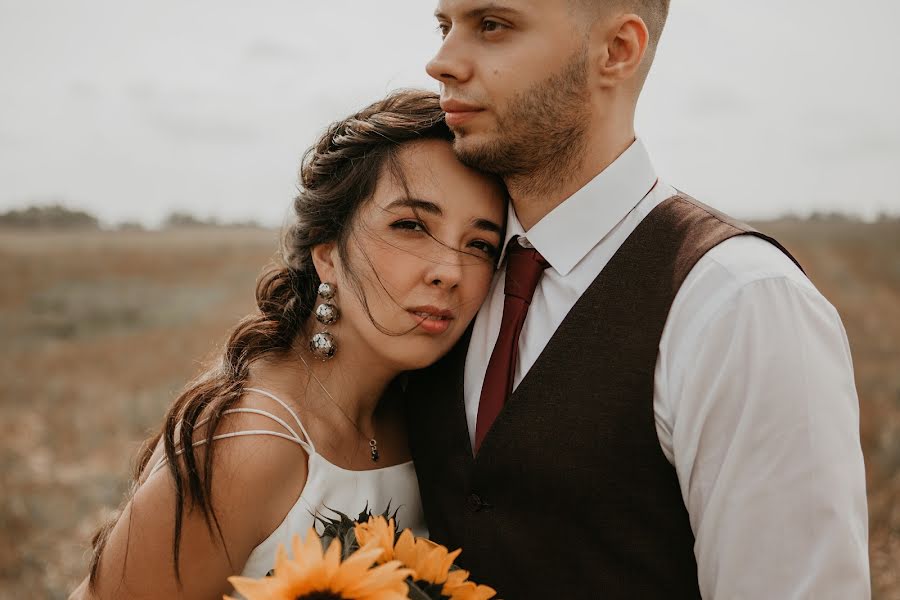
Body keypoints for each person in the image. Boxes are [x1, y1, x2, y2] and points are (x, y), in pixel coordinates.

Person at [406, 1, 871, 598]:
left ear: (617, 50)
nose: (440, 62)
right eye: (444, 26)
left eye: (492, 25)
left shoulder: (740, 304)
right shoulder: (444, 275)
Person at [69, 89, 507, 599]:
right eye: (410, 225)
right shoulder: (246, 447)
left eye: (480, 244)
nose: (449, 272)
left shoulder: (431, 415)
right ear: (327, 254)